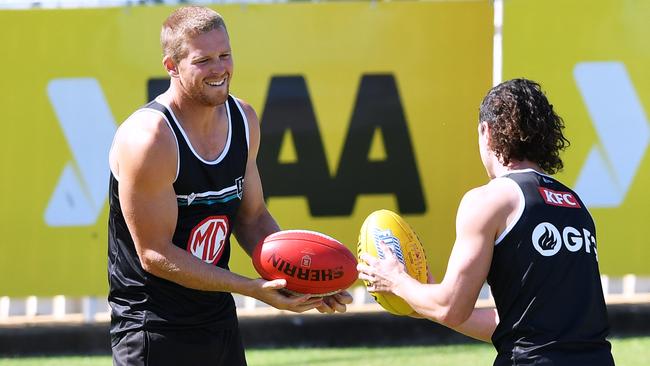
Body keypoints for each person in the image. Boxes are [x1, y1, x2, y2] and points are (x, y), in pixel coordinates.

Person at [107, 6, 351, 366]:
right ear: (171, 66)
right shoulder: (150, 139)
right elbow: (154, 254)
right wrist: (249, 288)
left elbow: (252, 218)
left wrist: (301, 279)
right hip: (152, 328)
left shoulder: (244, 119)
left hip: (219, 321)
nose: (219, 69)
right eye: (203, 60)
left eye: (225, 55)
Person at [357, 78, 614, 365]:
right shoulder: (576, 204)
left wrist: (396, 280)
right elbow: (512, 323)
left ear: (486, 131)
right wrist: (425, 303)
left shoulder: (490, 200)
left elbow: (452, 308)